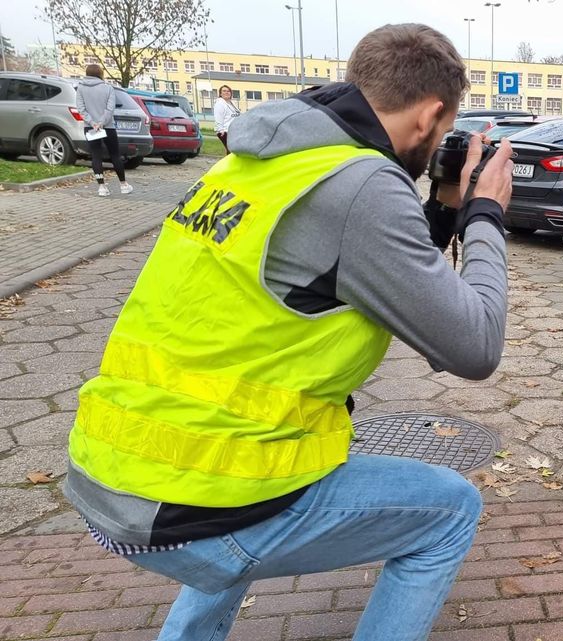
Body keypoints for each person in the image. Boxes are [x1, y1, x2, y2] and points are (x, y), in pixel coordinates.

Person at [63, 24, 513, 641]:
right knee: (451, 511)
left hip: (112, 471)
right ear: (433, 114)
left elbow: (384, 280)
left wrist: (440, 206)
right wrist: (486, 212)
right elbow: (475, 345)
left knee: (251, 478)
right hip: (192, 508)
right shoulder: (362, 185)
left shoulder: (255, 160)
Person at [75, 65, 132, 196]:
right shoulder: (108, 88)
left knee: (96, 156)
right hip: (108, 126)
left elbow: (81, 108)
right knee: (115, 155)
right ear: (100, 73)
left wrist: (93, 123)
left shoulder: (81, 88)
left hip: (90, 128)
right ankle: (123, 185)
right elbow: (110, 108)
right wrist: (102, 122)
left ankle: (101, 187)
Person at [212, 84, 240, 153]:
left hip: (233, 131)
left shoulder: (231, 103)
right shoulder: (220, 104)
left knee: (232, 151)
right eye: (224, 91)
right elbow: (218, 117)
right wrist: (221, 130)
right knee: (232, 151)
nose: (226, 92)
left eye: (228, 91)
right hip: (225, 131)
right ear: (220, 94)